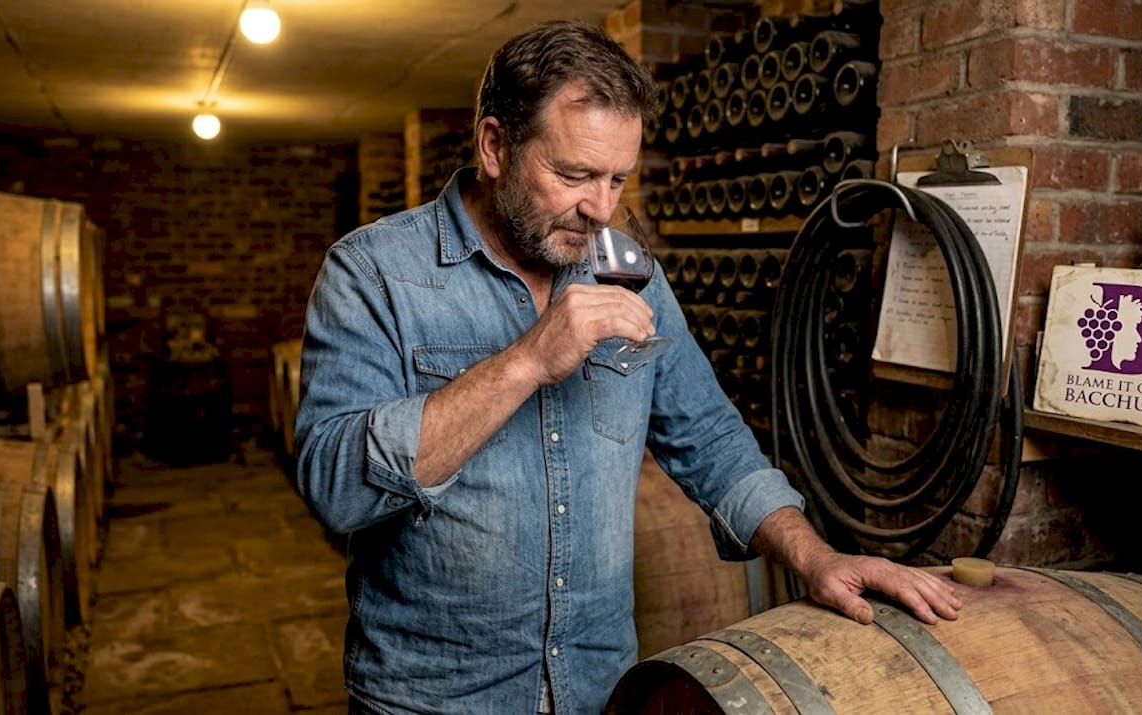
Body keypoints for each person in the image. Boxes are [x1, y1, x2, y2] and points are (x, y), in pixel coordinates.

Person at [294, 19, 961, 715]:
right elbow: (335, 486)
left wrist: (815, 557)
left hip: (598, 691)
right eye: (574, 174)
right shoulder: (373, 272)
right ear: (496, 146)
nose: (600, 208)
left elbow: (710, 438)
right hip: (433, 699)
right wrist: (525, 361)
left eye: (618, 179)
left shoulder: (629, 273)